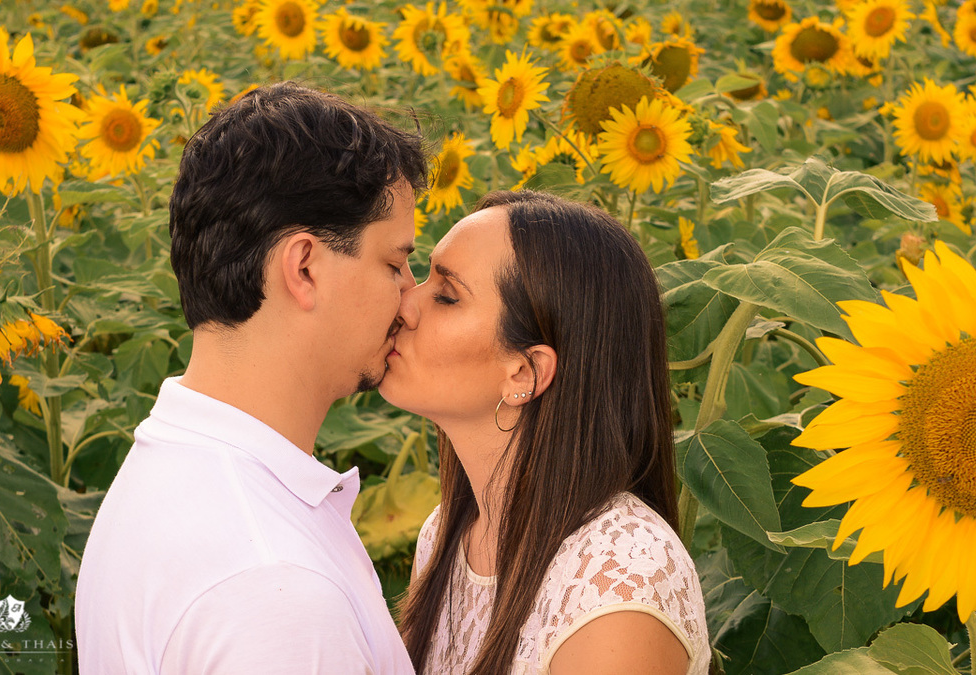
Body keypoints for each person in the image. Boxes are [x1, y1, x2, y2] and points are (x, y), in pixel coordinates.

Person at [75, 82, 426, 674]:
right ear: (305, 267)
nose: (411, 300)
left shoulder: (175, 472)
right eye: (394, 263)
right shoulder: (274, 590)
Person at [381, 190, 710, 674]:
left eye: (446, 295)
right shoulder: (448, 534)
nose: (405, 303)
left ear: (524, 373)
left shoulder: (617, 587)